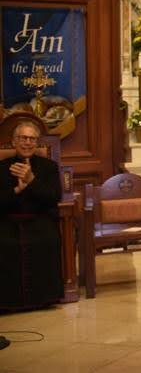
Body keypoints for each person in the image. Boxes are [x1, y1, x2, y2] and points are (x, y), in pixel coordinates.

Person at [0, 120, 63, 310]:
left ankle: (44, 298)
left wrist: (31, 181)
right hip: (7, 220)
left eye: (32, 139)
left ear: (37, 143)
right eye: (23, 138)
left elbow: (53, 197)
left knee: (48, 239)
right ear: (14, 141)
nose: (27, 143)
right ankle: (7, 302)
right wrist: (17, 190)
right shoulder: (1, 167)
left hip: (39, 219)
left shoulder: (49, 167)